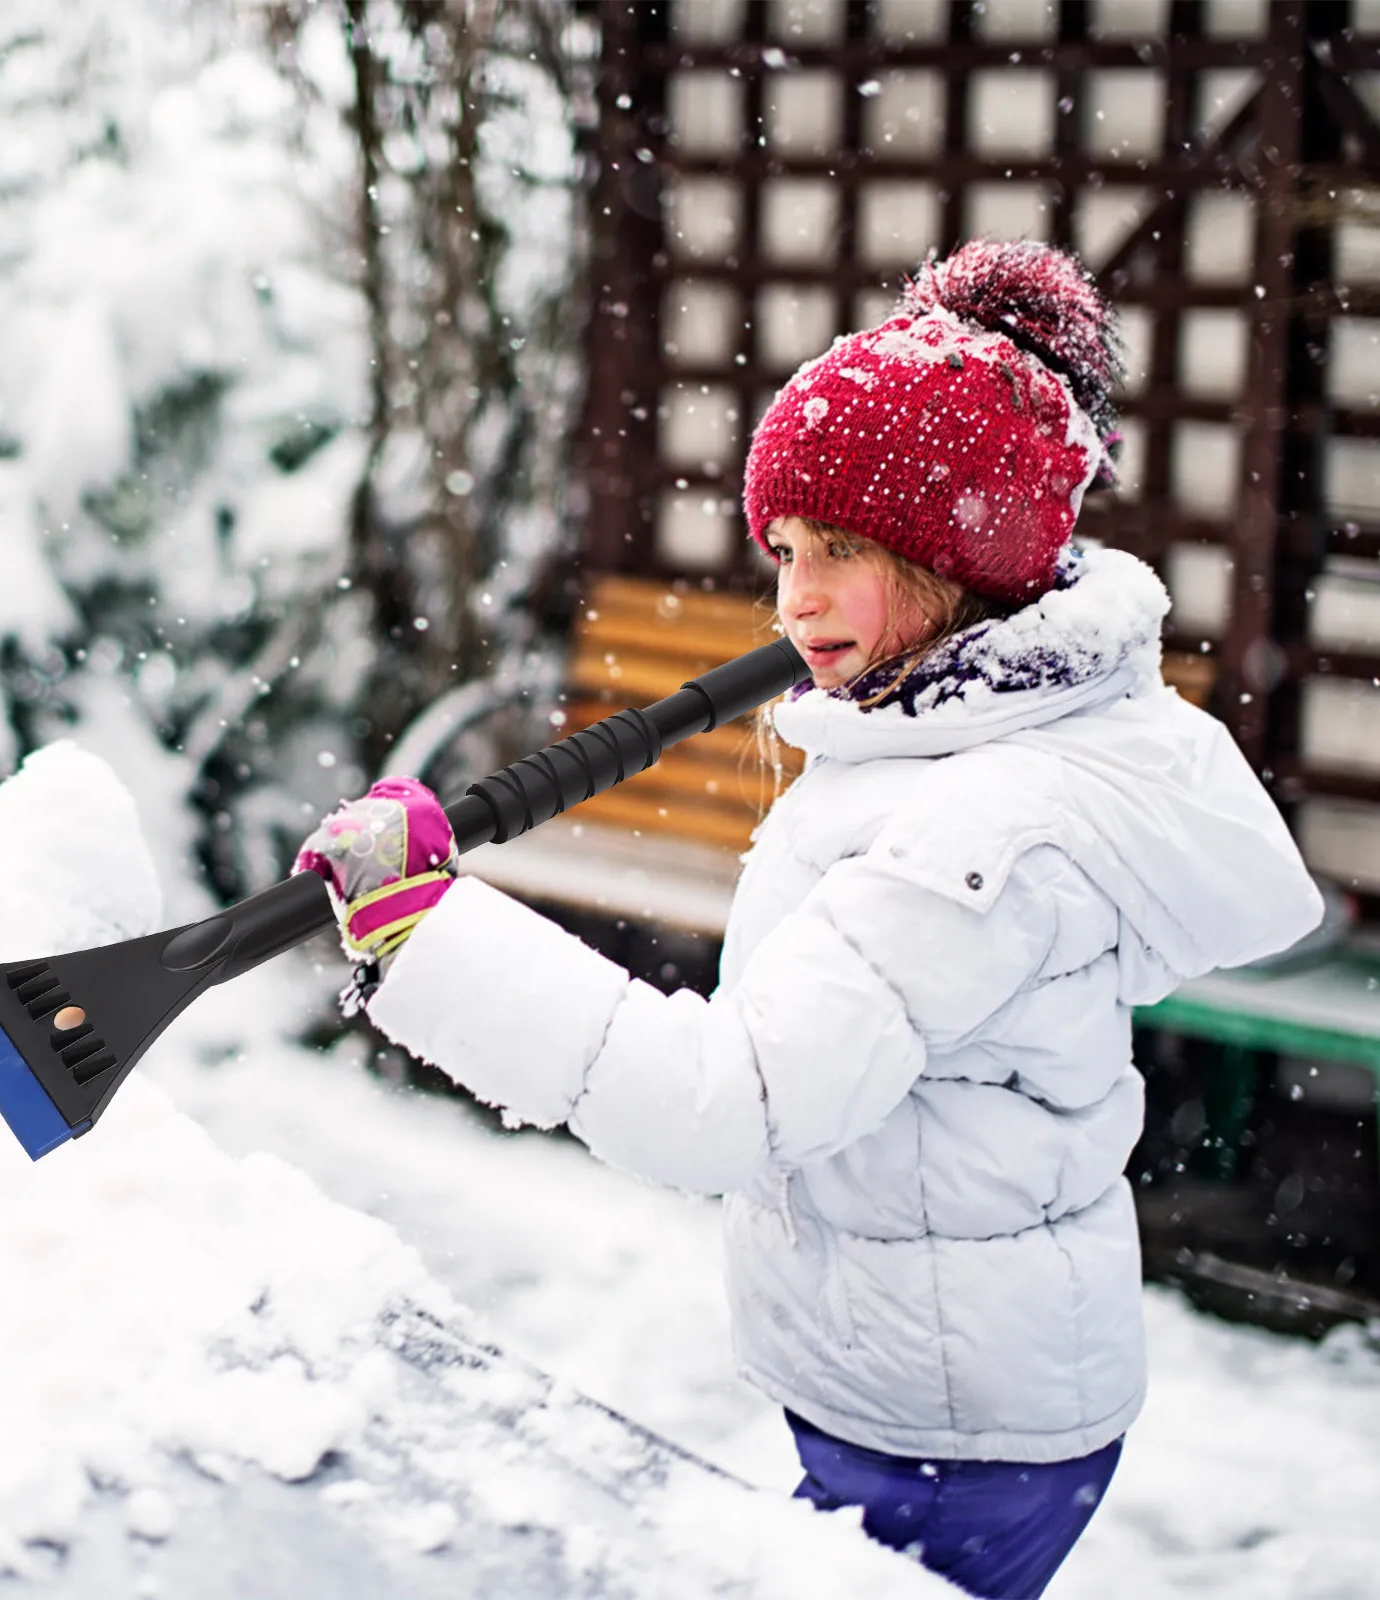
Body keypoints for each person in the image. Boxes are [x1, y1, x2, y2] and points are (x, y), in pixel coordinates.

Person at [294, 240, 1323, 1599]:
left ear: (965, 558)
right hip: (925, 1380)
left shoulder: (980, 830)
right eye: (784, 549)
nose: (795, 596)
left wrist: (429, 937)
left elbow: (729, 1103)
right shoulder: (941, 735)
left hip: (950, 1432)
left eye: (842, 550)